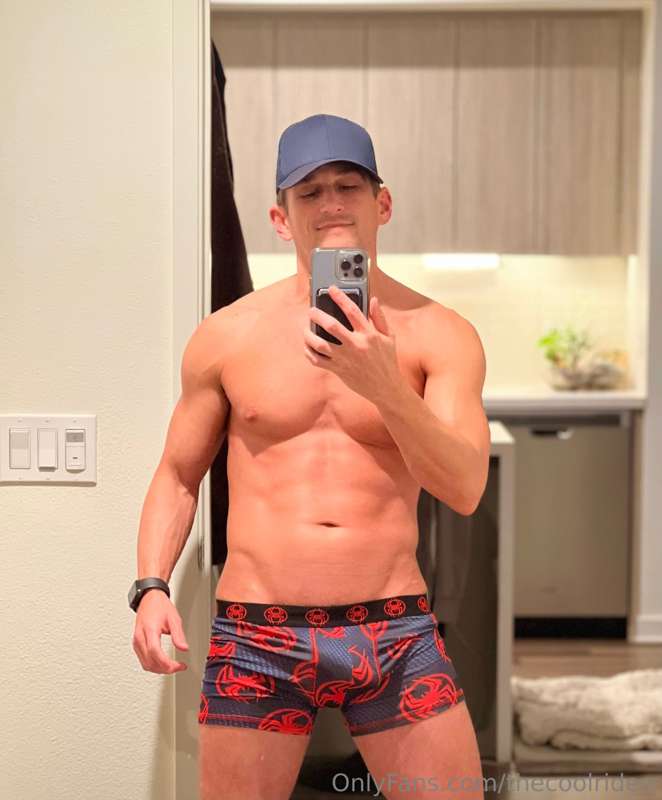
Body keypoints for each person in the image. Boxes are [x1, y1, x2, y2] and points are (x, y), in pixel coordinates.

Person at [129, 113, 490, 800]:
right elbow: (177, 476)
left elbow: (465, 485)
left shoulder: (440, 334)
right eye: (309, 191)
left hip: (392, 628)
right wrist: (150, 588)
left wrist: (386, 388)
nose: (330, 204)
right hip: (257, 633)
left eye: (348, 186)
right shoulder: (227, 336)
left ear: (383, 203)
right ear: (279, 217)